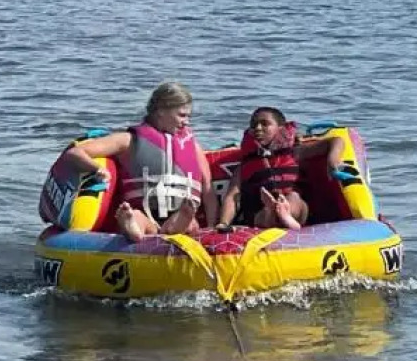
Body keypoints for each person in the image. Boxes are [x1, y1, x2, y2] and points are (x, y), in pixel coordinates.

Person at [60, 82, 217, 242]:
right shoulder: (129, 140)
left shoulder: (193, 147)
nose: (187, 122)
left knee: (190, 222)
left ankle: (176, 224)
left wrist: (211, 227)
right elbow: (75, 152)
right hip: (145, 213)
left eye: (188, 116)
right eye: (182, 115)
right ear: (161, 111)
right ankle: (133, 226)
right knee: (135, 216)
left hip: (180, 215)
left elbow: (208, 189)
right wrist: (96, 168)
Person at [216, 106, 357, 231]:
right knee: (263, 214)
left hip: (296, 209)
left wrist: (332, 162)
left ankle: (284, 213)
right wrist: (223, 223)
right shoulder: (244, 166)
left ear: (281, 129)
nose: (258, 128)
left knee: (294, 198)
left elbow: (336, 141)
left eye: (265, 124)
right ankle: (276, 212)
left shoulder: (295, 152)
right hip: (262, 213)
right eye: (254, 125)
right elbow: (231, 197)